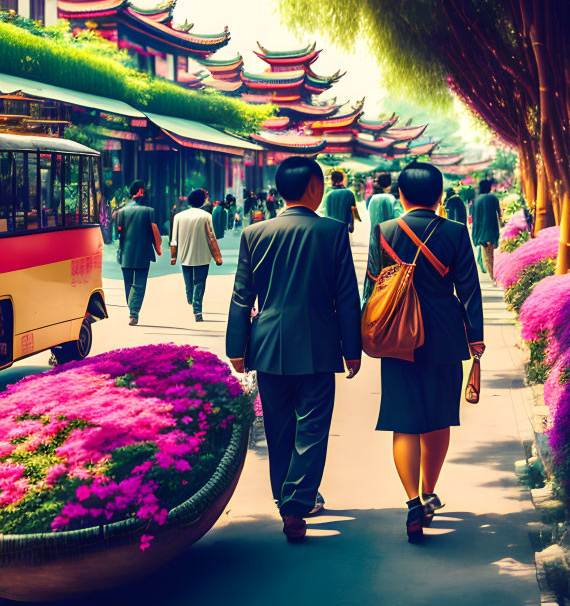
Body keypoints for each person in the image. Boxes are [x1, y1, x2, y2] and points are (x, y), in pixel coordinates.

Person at [227, 157, 362, 542]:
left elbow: (242, 297)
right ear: (314, 189)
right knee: (313, 428)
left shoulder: (254, 233)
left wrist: (236, 347)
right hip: (319, 344)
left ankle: (284, 498)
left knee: (278, 428)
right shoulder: (333, 232)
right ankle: (296, 504)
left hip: (268, 345)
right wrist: (352, 348)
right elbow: (347, 298)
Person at [362, 161, 485, 541]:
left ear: (400, 195)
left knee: (404, 420)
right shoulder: (455, 231)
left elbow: (371, 287)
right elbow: (469, 289)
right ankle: (429, 492)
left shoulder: (383, 231)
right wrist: (475, 340)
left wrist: (367, 333)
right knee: (438, 417)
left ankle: (412, 501)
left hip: (398, 336)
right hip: (444, 335)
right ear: (439, 196)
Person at [170, 188, 223, 321]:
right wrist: (216, 255)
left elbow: (174, 239)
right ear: (201, 201)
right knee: (199, 282)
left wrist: (174, 256)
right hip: (203, 254)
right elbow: (212, 236)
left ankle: (190, 298)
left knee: (188, 282)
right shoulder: (207, 216)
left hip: (185, 254)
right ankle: (197, 310)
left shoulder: (178, 216)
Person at [115, 181, 162, 326]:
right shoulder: (149, 211)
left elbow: (118, 232)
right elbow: (154, 230)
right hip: (143, 252)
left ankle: (132, 310)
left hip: (126, 253)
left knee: (128, 284)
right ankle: (133, 313)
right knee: (139, 284)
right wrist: (158, 247)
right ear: (141, 192)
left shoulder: (121, 211)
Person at [471, 177, 502, 281]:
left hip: (482, 234)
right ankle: (496, 277)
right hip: (492, 232)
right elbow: (499, 215)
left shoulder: (477, 200)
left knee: (487, 259)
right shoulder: (493, 198)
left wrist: (475, 236)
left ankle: (495, 278)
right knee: (492, 257)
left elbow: (475, 219)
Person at [366, 172, 397, 247]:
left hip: (375, 235)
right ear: (390, 183)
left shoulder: (372, 198)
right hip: (390, 236)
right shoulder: (391, 198)